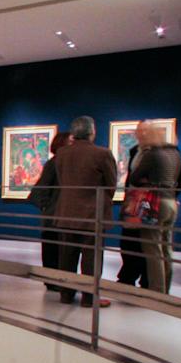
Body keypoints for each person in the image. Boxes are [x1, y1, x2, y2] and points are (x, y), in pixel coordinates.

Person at [53, 116, 117, 307]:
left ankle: (66, 295)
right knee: (92, 259)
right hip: (92, 215)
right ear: (92, 132)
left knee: (67, 257)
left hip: (67, 214)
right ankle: (89, 298)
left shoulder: (62, 153)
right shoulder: (102, 154)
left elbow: (62, 180)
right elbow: (111, 186)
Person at [129, 124, 181, 293]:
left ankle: (156, 290)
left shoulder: (151, 154)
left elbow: (135, 177)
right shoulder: (174, 153)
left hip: (155, 205)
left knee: (152, 249)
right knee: (166, 247)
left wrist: (146, 182)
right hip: (171, 202)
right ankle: (165, 289)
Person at [28, 131, 72, 289]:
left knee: (57, 250)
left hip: (58, 216)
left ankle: (56, 281)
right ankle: (52, 282)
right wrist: (48, 206)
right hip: (54, 217)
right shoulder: (55, 163)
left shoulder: (60, 163)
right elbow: (40, 190)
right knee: (52, 250)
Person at [115, 121, 152, 288]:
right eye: (139, 131)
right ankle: (127, 278)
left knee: (146, 242)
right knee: (128, 241)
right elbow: (132, 178)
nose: (141, 134)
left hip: (149, 204)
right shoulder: (134, 151)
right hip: (132, 203)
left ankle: (146, 281)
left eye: (144, 131)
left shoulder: (158, 153)